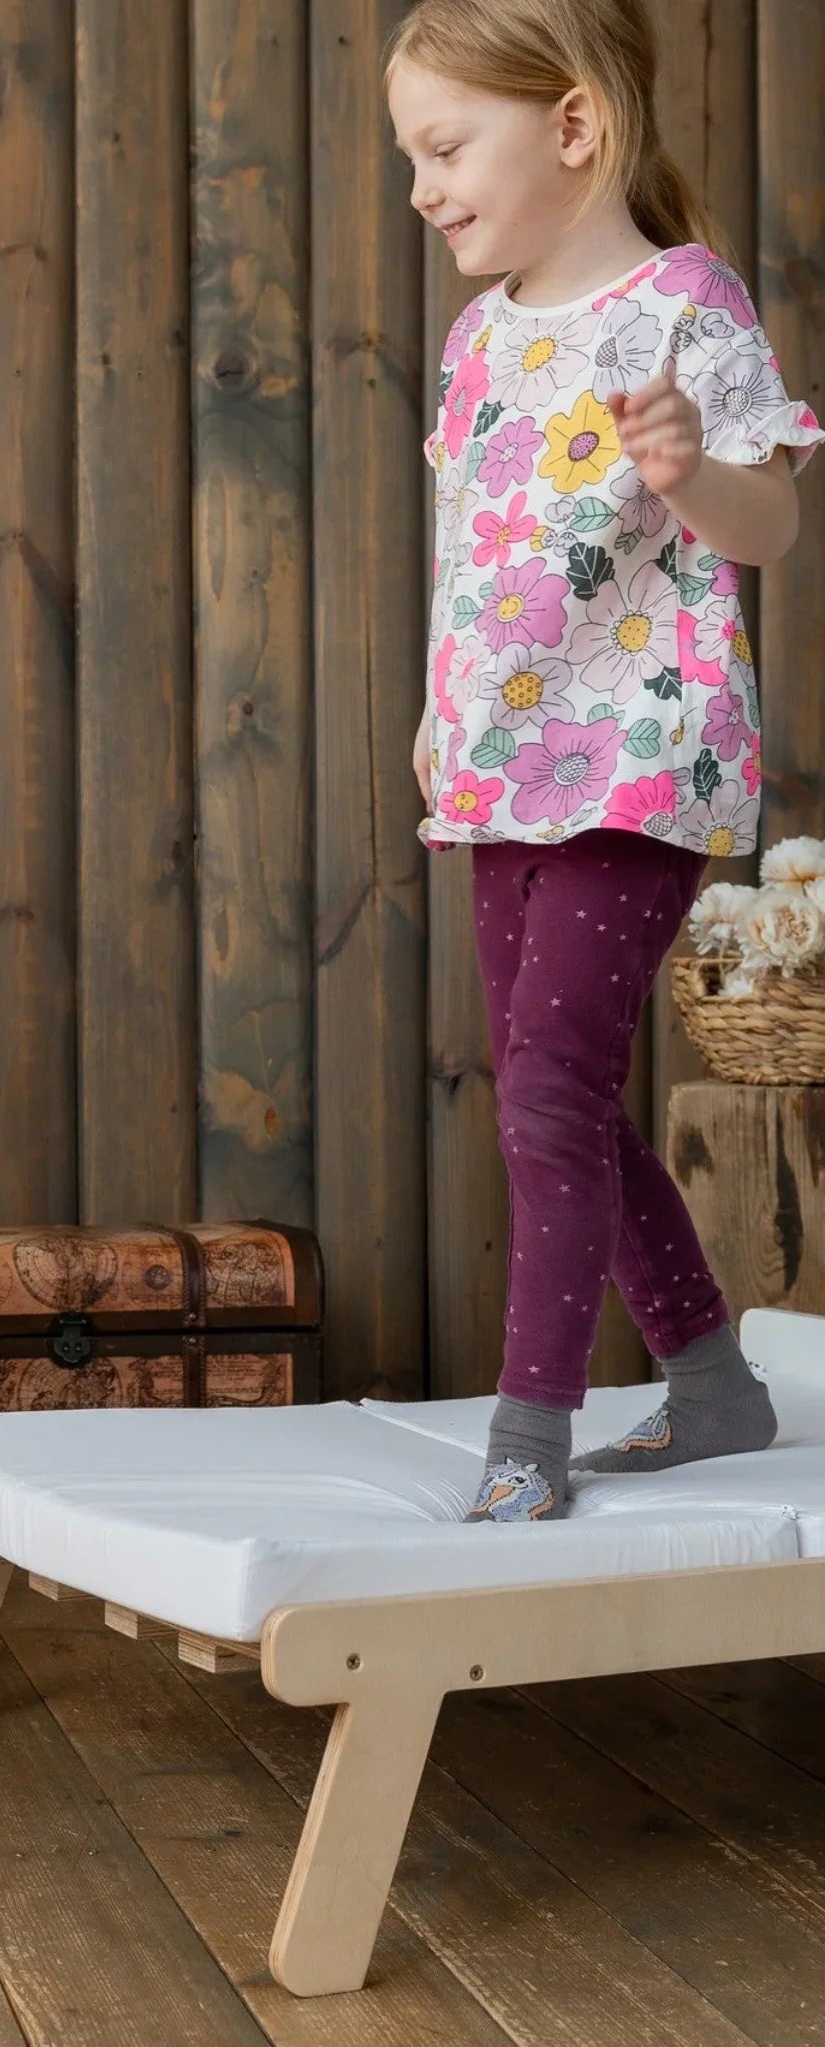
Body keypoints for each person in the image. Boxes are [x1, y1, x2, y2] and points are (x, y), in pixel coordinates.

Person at [388, 0, 821, 1519]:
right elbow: (467, 542)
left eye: (446, 149)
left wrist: (693, 466)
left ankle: (529, 1436)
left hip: (639, 756)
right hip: (505, 762)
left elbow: (769, 527)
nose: (426, 188)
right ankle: (711, 1382)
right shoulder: (479, 336)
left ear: (572, 128)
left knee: (549, 1095)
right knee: (550, 1089)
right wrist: (439, 702)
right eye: (412, 160)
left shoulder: (687, 311)